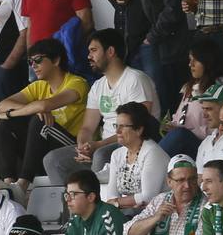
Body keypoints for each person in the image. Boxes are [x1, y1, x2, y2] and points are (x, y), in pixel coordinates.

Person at [42, 29, 158, 191]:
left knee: (101, 154)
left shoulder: (135, 79)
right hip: (102, 146)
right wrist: (83, 146)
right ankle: (69, 210)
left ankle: (96, 209)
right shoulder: (98, 86)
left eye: (94, 50)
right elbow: (87, 127)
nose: (89, 56)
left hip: (130, 145)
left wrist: (97, 145)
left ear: (110, 51)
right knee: (53, 160)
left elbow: (137, 126)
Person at [0, 39, 85, 191]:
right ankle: (9, 184)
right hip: (42, 143)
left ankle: (22, 184)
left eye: (38, 60)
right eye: (30, 62)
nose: (33, 66)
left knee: (39, 120)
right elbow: (2, 105)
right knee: (3, 124)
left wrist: (12, 113)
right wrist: (9, 115)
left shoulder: (77, 83)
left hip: (72, 146)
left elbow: (44, 105)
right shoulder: (39, 85)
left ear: (56, 60)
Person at [159, 41, 223, 159]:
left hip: (205, 145)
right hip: (181, 141)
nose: (190, 64)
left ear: (207, 61)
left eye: (195, 60)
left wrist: (182, 131)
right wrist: (171, 126)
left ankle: (147, 162)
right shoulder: (189, 86)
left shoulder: (220, 87)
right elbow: (180, 118)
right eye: (190, 60)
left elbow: (220, 128)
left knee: (179, 135)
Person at [101, 102, 168, 213]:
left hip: (157, 212)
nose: (117, 131)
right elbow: (111, 196)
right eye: (116, 126)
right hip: (132, 211)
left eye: (123, 126)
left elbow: (148, 197)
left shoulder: (152, 153)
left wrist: (117, 203)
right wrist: (117, 203)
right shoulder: (117, 155)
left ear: (139, 130)